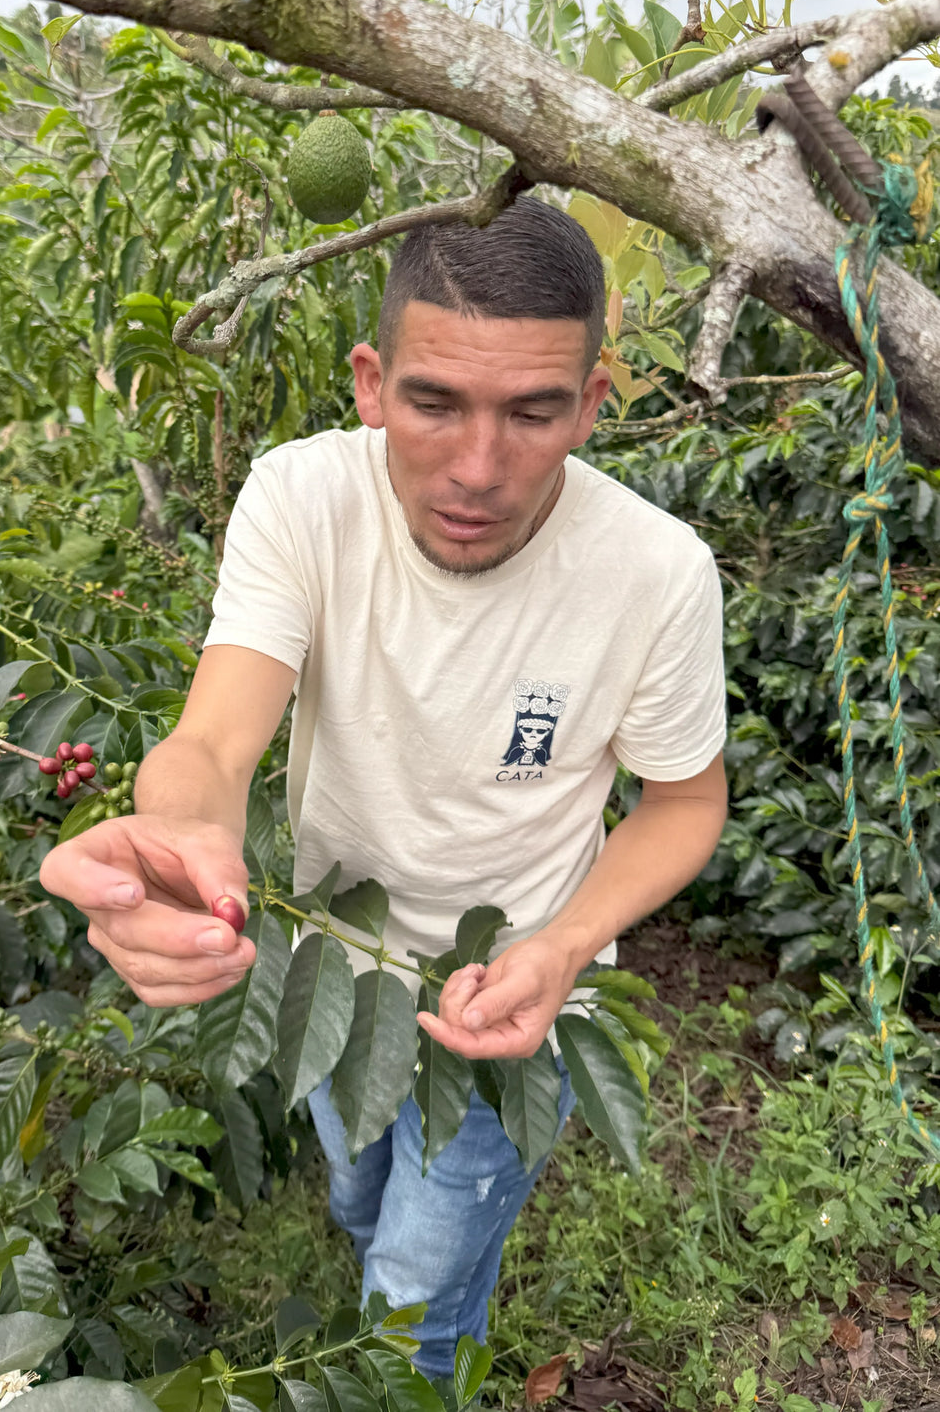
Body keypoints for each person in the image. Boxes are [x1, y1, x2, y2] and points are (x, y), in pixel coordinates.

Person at [40, 195, 729, 1390]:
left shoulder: (655, 573)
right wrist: (177, 834)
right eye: (433, 402)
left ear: (589, 403)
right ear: (369, 382)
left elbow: (681, 800)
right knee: (360, 1202)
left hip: (513, 997)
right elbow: (214, 737)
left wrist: (562, 946)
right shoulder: (302, 499)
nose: (476, 468)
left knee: (411, 1305)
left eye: (531, 412)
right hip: (336, 966)